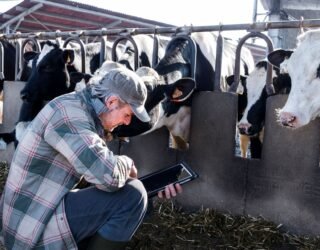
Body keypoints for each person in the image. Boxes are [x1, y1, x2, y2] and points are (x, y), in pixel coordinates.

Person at [0, 66, 183, 250]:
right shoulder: (70, 116)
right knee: (133, 195)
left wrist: (149, 195)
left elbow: (100, 183)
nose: (127, 122)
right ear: (112, 102)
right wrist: (127, 164)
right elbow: (108, 176)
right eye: (127, 114)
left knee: (135, 195)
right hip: (29, 231)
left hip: (39, 215)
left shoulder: (81, 110)